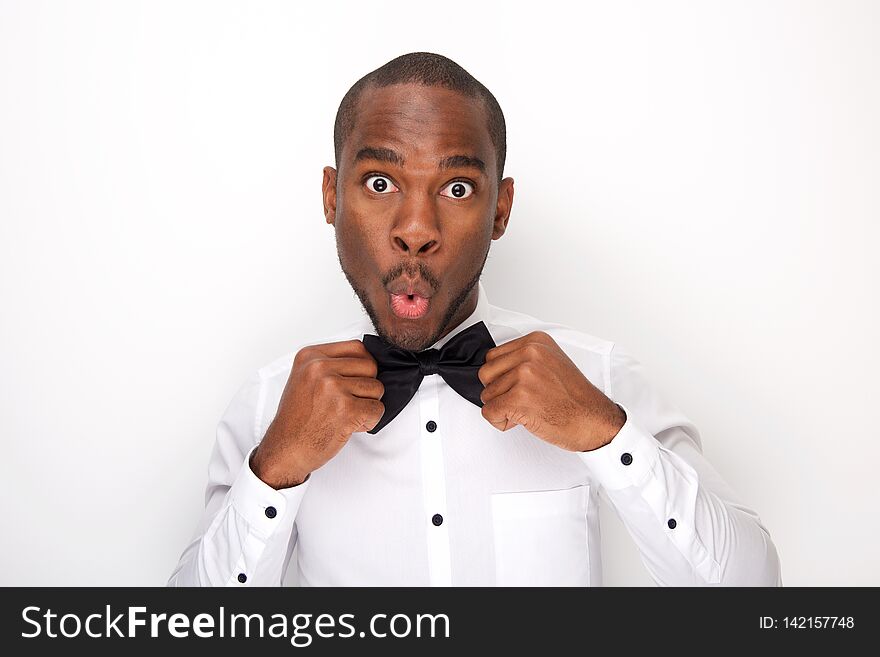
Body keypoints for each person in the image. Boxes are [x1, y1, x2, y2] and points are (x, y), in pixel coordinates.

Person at [168, 52, 782, 587]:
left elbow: (751, 592)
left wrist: (606, 433)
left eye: (457, 188)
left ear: (500, 209)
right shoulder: (266, 407)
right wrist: (274, 469)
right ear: (332, 198)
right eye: (380, 182)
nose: (415, 230)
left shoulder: (597, 376)